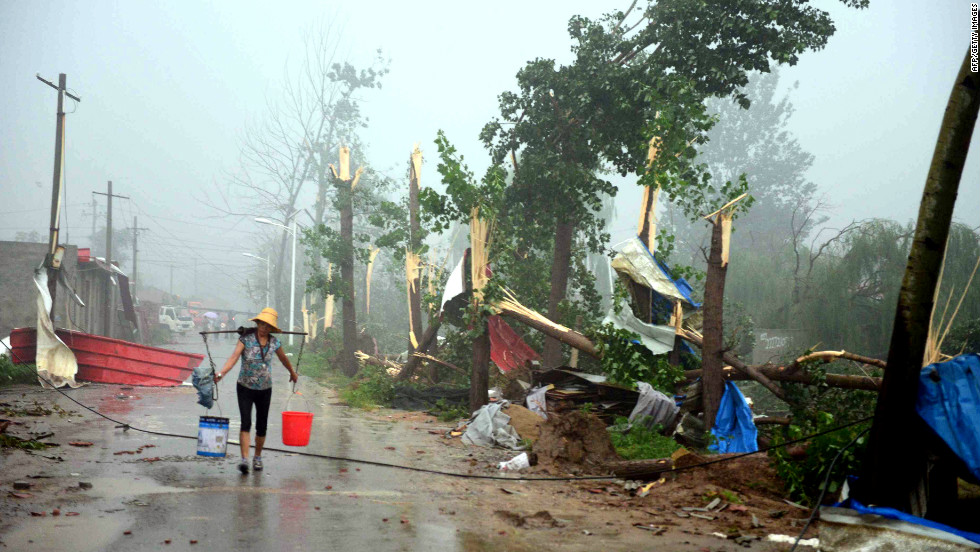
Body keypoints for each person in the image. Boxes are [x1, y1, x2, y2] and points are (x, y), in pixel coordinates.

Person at [215, 307, 298, 474]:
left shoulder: (274, 342)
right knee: (246, 422)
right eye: (261, 323)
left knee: (262, 425)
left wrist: (292, 372)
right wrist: (221, 373)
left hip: (265, 389)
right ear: (257, 323)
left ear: (271, 327)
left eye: (267, 325)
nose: (263, 327)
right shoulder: (245, 339)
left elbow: (283, 359)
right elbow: (234, 357)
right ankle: (244, 459)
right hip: (245, 387)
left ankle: (257, 457)